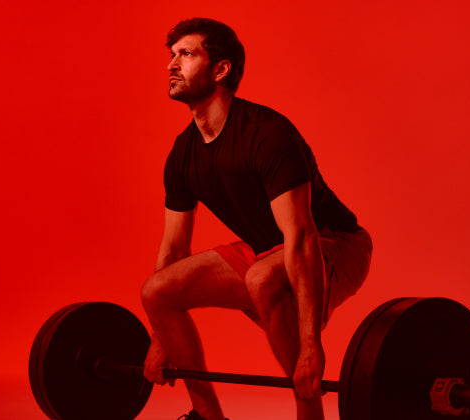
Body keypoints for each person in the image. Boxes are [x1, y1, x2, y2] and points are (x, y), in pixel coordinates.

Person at [141, 18, 372, 420]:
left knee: (262, 277)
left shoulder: (267, 133)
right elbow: (174, 249)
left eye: (187, 54)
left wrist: (311, 348)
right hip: (266, 251)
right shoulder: (183, 154)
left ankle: (309, 412)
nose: (172, 65)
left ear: (221, 69)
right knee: (157, 290)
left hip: (334, 243)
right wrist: (159, 336)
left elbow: (300, 236)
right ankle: (207, 416)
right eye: (172, 55)